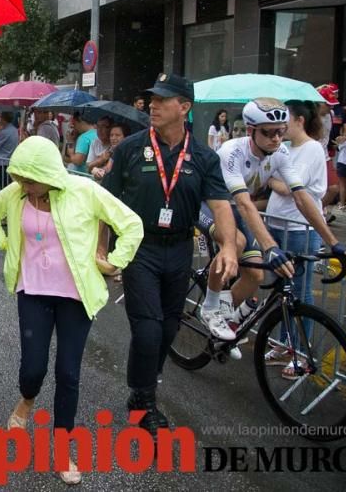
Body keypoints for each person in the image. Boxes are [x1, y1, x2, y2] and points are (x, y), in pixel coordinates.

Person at [0, 137, 142, 484]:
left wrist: (115, 262)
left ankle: (63, 446)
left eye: (29, 180)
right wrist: (3, 242)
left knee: (68, 374)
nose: (23, 186)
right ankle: (27, 400)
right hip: (33, 292)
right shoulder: (17, 192)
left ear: (49, 174)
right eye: (19, 178)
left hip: (75, 296)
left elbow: (131, 224)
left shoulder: (83, 190)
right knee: (32, 368)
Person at [102, 73, 239, 436]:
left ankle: (144, 382)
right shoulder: (131, 148)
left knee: (168, 327)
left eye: (163, 99)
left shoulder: (204, 157)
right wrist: (101, 250)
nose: (153, 105)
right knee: (147, 330)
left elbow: (221, 204)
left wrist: (228, 245)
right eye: (151, 98)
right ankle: (144, 399)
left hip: (180, 249)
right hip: (140, 247)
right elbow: (106, 203)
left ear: (185, 107)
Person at [203, 98, 346, 335]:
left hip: (236, 208)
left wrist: (333, 242)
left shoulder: (279, 152)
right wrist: (271, 247)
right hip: (210, 204)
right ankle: (210, 306)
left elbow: (302, 197)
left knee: (255, 275)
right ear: (252, 130)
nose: (276, 138)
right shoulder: (231, 152)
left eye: (281, 132)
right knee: (236, 242)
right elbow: (244, 204)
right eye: (269, 132)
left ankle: (226, 319)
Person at [263, 101, 328, 378]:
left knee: (300, 293)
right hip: (278, 226)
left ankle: (301, 352)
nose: (279, 127)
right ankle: (284, 344)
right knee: (283, 290)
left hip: (301, 230)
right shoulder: (285, 148)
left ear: (299, 120)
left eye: (285, 120)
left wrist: (273, 182)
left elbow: (291, 187)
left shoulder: (312, 148)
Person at [0, 111, 19, 192]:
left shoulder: (5, 132)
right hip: (10, 160)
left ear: (3, 119)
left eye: (0, 118)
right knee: (8, 184)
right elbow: (1, 136)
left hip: (3, 162)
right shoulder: (14, 129)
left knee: (4, 186)